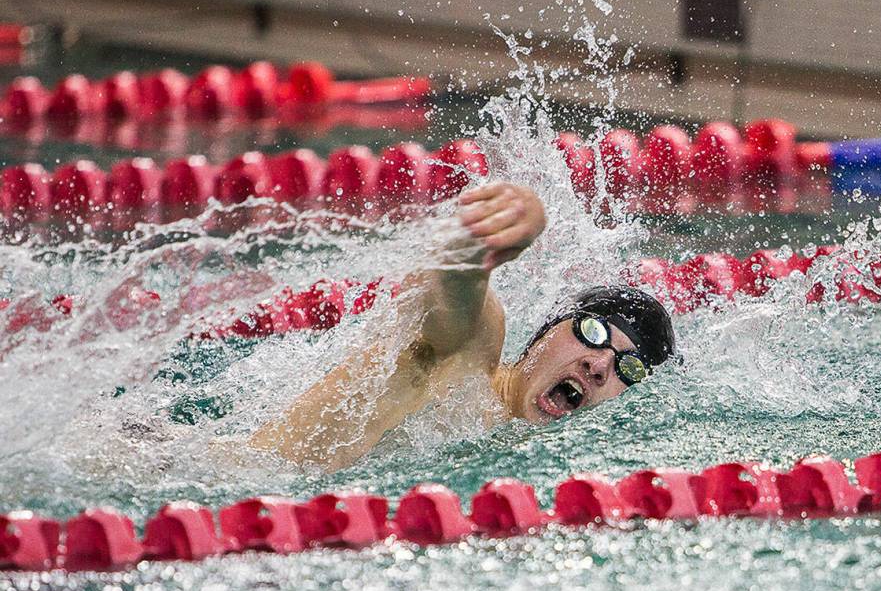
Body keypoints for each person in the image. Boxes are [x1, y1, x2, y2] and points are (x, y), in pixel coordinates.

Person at [250, 182, 675, 471]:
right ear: (546, 332)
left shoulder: (525, 461)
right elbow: (450, 282)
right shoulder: (472, 352)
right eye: (592, 333)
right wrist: (493, 230)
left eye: (628, 368)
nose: (599, 366)